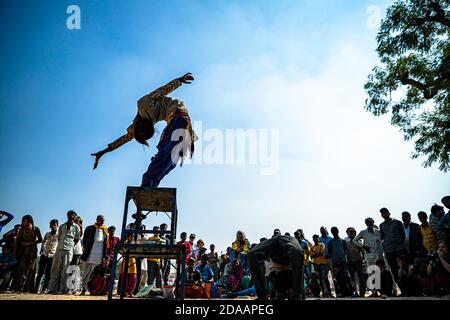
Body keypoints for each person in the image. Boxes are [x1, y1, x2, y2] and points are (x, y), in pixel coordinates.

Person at [91, 73, 197, 190]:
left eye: (130, 132)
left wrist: (179, 80)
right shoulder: (144, 121)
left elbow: (161, 91)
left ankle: (148, 182)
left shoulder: (144, 104)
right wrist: (103, 152)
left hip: (177, 117)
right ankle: (151, 186)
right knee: (169, 158)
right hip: (177, 119)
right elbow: (124, 139)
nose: (128, 131)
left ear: (136, 125)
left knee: (166, 154)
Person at [247, 235, 304, 300]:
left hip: (283, 250)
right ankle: (263, 295)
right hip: (285, 249)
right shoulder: (294, 255)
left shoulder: (294, 256)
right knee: (251, 255)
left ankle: (263, 295)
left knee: (251, 255)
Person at [48, 210, 81, 294]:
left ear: (75, 216)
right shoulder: (62, 226)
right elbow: (59, 238)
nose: (70, 216)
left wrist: (71, 245)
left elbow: (77, 238)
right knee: (55, 270)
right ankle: (52, 289)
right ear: (67, 215)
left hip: (69, 250)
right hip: (59, 249)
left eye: (72, 215)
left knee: (65, 270)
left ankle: (64, 289)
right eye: (69, 214)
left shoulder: (76, 227)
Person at [80, 215, 109, 295]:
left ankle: (93, 290)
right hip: (89, 255)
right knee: (86, 273)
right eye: (101, 220)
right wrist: (86, 251)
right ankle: (83, 289)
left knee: (96, 274)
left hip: (99, 256)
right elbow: (85, 241)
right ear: (97, 220)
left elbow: (106, 245)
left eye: (103, 220)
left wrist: (105, 257)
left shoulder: (105, 231)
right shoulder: (90, 228)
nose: (102, 221)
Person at [14, 215, 42, 292]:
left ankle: (26, 289)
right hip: (24, 252)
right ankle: (18, 288)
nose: (22, 222)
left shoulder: (36, 229)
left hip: (33, 252)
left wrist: (29, 243)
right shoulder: (21, 230)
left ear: (29, 221)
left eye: (24, 221)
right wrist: (15, 252)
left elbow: (40, 240)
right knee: (21, 269)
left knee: (30, 270)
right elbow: (17, 241)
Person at [379, 208, 406, 283]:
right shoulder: (381, 225)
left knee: (403, 268)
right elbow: (382, 237)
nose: (384, 214)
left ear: (389, 213)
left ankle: (407, 289)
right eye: (382, 213)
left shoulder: (397, 222)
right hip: (389, 250)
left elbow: (403, 235)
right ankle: (401, 289)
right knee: (393, 270)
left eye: (385, 212)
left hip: (399, 249)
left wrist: (400, 244)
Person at [35, 219, 59, 293]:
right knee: (40, 273)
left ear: (57, 226)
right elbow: (44, 242)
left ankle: (43, 289)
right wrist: (42, 249)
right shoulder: (47, 234)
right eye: (52, 225)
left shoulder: (59, 234)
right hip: (44, 255)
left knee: (48, 273)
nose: (53, 226)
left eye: (54, 225)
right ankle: (35, 289)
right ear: (49, 226)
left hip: (52, 256)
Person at [327, 227, 352, 297]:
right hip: (335, 262)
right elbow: (329, 253)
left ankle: (349, 292)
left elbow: (345, 251)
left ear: (338, 231)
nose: (334, 232)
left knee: (346, 277)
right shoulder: (331, 242)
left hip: (343, 262)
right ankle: (341, 293)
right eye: (332, 231)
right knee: (338, 278)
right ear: (331, 233)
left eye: (335, 231)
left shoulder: (343, 241)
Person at [346, 227, 366, 297]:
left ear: (355, 234)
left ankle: (362, 294)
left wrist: (363, 260)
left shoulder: (359, 242)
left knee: (361, 278)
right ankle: (353, 293)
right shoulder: (346, 242)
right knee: (351, 278)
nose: (351, 234)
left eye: (353, 233)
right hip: (350, 262)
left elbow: (363, 251)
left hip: (358, 261)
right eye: (350, 233)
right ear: (348, 234)